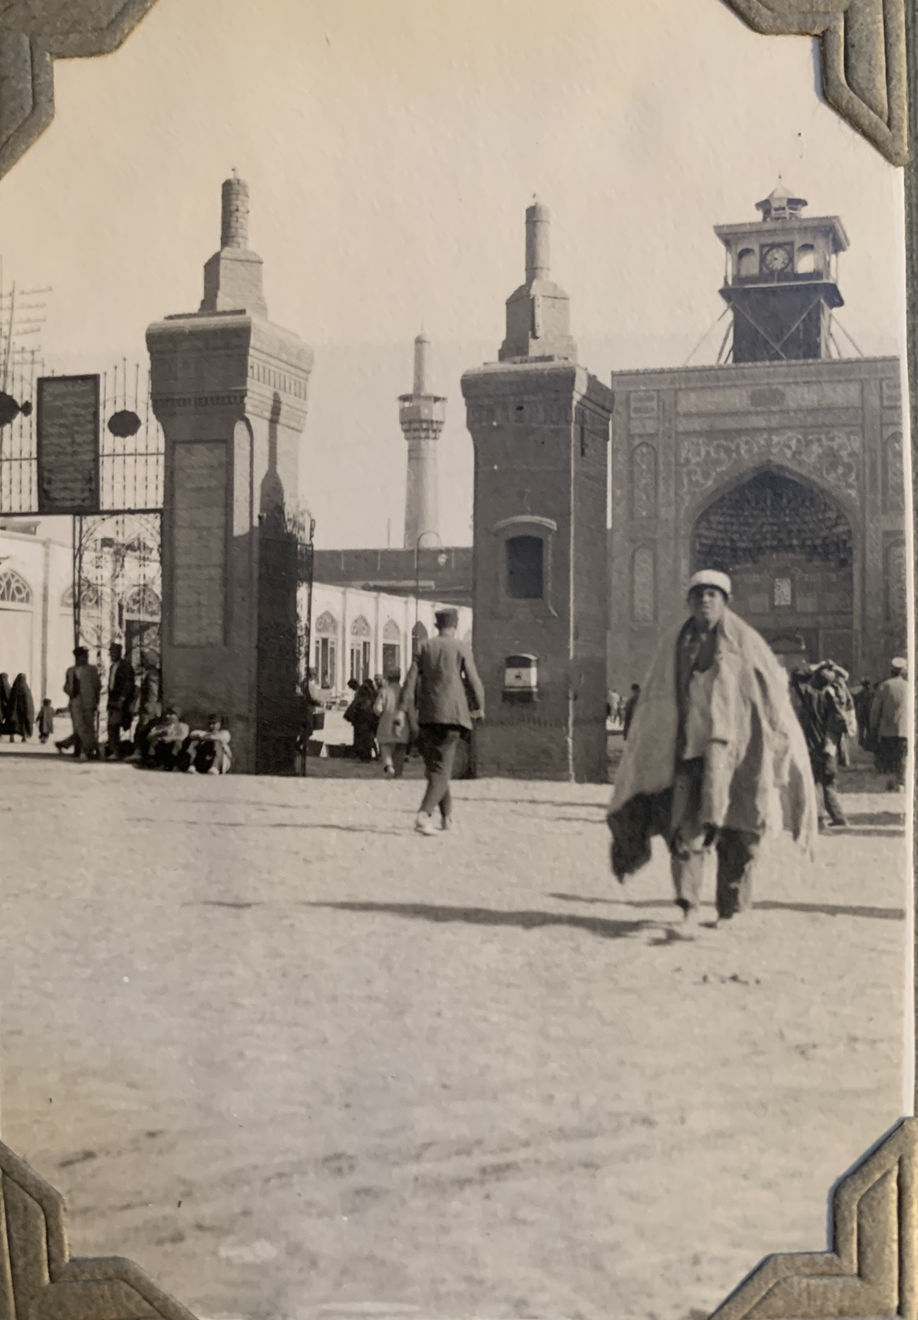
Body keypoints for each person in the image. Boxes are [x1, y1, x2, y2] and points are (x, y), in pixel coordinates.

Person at [606, 570, 816, 928]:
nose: (705, 600)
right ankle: (688, 906)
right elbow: (654, 704)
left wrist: (778, 749)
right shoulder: (673, 644)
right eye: (699, 594)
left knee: (739, 832)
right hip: (689, 755)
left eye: (713, 594)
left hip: (738, 759)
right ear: (688, 601)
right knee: (685, 832)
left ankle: (730, 910)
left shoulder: (748, 644)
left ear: (725, 601)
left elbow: (773, 705)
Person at [396, 607, 485, 834]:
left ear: (436, 625)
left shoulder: (424, 646)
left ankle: (447, 817)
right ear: (455, 625)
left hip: (426, 716)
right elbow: (474, 682)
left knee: (436, 767)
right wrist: (480, 707)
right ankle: (424, 814)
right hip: (453, 715)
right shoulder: (461, 647)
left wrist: (400, 711)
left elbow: (409, 681)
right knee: (442, 769)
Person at [790, 661, 855, 828]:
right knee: (829, 782)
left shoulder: (809, 694)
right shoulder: (836, 697)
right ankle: (839, 817)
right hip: (829, 747)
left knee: (815, 782)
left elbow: (796, 675)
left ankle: (818, 819)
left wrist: (817, 666)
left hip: (813, 745)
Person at [870, 657, 909, 790]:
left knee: (889, 757)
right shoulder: (909, 686)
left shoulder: (884, 686)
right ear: (903, 671)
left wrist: (873, 726)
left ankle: (891, 782)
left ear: (891, 670)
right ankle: (901, 783)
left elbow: (875, 710)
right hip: (905, 729)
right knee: (902, 756)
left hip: (886, 730)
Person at [60, 647, 101, 761]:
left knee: (89, 727)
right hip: (75, 702)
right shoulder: (70, 670)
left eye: (86, 656)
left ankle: (86, 750)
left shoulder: (92, 670)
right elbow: (66, 686)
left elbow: (97, 686)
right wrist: (69, 691)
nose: (85, 658)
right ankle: (83, 749)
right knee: (78, 727)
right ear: (77, 657)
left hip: (89, 702)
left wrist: (96, 701)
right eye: (83, 656)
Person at [374, 669, 413, 778]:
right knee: (400, 750)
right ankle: (398, 772)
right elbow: (411, 710)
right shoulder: (405, 691)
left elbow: (377, 708)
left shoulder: (384, 691)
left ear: (388, 678)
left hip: (386, 724)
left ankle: (388, 765)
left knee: (385, 747)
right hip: (402, 725)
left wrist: (380, 714)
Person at [104, 641, 136, 759]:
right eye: (111, 653)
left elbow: (128, 684)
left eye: (114, 652)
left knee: (113, 725)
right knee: (112, 726)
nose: (112, 655)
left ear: (119, 652)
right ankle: (114, 750)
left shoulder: (125, 666)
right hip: (112, 700)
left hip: (120, 701)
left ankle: (116, 752)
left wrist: (122, 699)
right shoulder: (113, 666)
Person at [6, 673, 34, 742]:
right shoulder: (26, 688)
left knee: (13, 724)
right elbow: (29, 701)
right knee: (23, 723)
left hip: (14, 710)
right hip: (23, 710)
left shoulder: (14, 688)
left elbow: (10, 700)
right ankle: (24, 737)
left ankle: (11, 737)